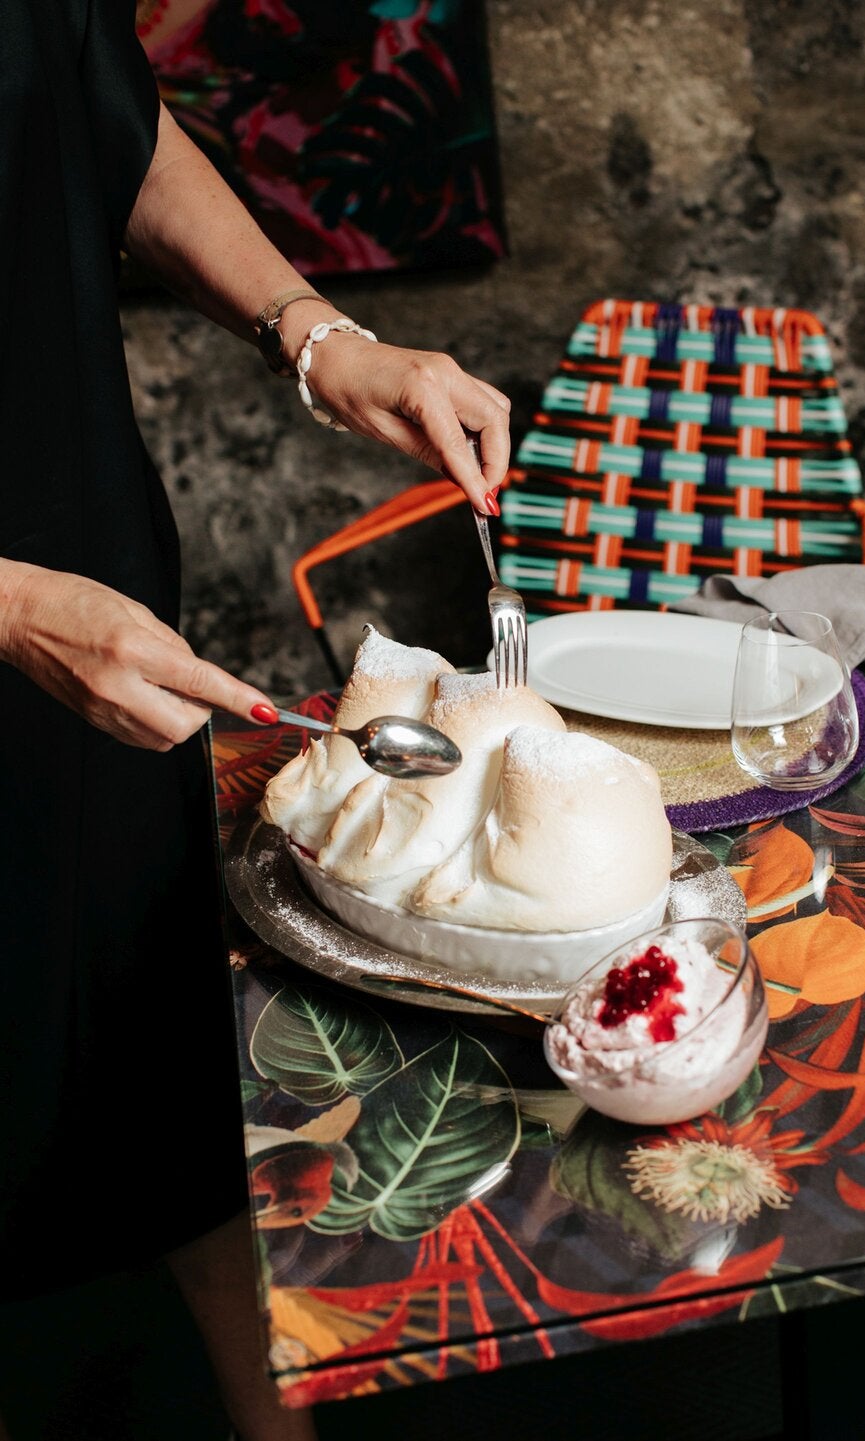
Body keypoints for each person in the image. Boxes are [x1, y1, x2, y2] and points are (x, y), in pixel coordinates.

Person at [0, 3, 510, 1439]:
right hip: (19, 597)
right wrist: (8, 607)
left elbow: (93, 106)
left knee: (149, 1011)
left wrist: (321, 338)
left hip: (77, 535)